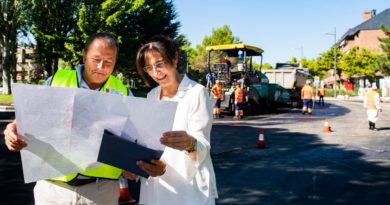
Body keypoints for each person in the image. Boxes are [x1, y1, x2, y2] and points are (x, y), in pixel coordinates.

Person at [3, 32, 149, 205]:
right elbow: (32, 117)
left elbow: (133, 140)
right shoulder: (57, 80)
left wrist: (131, 165)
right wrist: (12, 128)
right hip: (53, 189)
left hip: (101, 191)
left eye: (109, 62)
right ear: (84, 55)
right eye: (96, 59)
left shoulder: (124, 93)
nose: (101, 66)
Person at [135, 35, 218, 205]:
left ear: (175, 58)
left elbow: (203, 145)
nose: (156, 72)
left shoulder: (197, 93)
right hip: (154, 187)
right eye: (149, 68)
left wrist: (190, 143)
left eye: (160, 64)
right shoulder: (151, 96)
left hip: (187, 190)